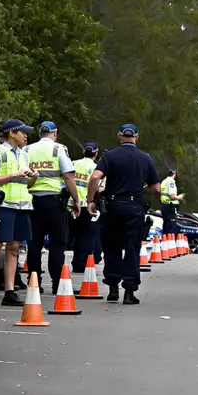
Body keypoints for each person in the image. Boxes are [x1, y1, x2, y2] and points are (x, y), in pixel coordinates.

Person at [87, 124, 160, 305]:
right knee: (132, 248)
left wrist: (90, 200)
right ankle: (129, 291)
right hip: (134, 206)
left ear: (120, 136)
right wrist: (142, 190)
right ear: (136, 137)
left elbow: (95, 177)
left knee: (111, 247)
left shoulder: (110, 156)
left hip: (112, 206)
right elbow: (156, 188)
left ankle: (112, 288)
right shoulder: (145, 158)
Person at [0, 119, 38, 306]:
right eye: (23, 132)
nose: (26, 135)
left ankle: (9, 292)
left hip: (22, 206)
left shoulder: (24, 155)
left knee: (14, 248)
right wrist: (15, 174)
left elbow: (26, 184)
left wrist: (33, 178)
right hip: (4, 206)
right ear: (12, 133)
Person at [24, 121, 80, 295]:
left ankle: (34, 282)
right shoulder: (58, 149)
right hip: (54, 202)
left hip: (31, 201)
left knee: (34, 243)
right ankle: (57, 283)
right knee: (57, 243)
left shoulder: (27, 149)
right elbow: (69, 176)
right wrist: (76, 200)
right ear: (54, 134)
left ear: (40, 133)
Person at [70, 142, 103, 273]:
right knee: (87, 236)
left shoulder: (73, 164)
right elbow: (99, 188)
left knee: (75, 235)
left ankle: (76, 262)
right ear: (96, 154)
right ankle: (82, 263)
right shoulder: (95, 168)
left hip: (72, 204)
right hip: (87, 205)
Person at [160, 168, 184, 237]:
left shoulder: (164, 181)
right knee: (171, 227)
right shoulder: (171, 182)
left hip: (164, 205)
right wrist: (179, 197)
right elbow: (172, 196)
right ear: (174, 174)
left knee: (166, 226)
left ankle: (165, 244)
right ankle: (170, 245)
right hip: (171, 206)